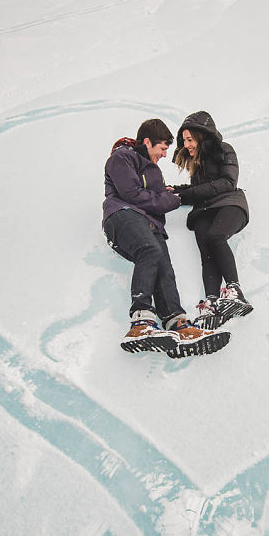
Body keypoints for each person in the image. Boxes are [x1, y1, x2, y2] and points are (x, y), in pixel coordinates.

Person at [102, 118, 230, 357]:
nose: (164, 154)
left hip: (151, 224)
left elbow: (163, 196)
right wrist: (170, 199)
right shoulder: (122, 158)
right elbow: (131, 193)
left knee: (165, 268)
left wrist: (175, 195)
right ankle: (141, 323)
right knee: (149, 251)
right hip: (123, 216)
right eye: (162, 148)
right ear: (147, 141)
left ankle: (177, 324)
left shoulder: (154, 171)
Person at [171, 111, 253, 330]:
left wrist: (187, 195)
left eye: (189, 139)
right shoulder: (196, 162)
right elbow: (200, 188)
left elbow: (227, 182)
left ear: (201, 135)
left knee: (216, 237)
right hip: (204, 210)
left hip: (229, 203)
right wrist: (176, 192)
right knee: (206, 252)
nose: (186, 145)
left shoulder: (225, 150)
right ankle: (212, 302)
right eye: (184, 140)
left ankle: (234, 291)